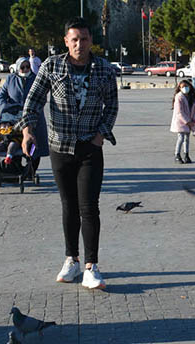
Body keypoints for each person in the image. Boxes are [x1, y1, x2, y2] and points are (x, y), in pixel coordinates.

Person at [21, 17, 118, 290]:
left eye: (84, 39)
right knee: (68, 204)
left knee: (89, 206)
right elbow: (34, 101)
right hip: (60, 146)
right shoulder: (52, 66)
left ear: (90, 41)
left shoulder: (103, 69)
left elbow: (111, 106)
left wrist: (101, 134)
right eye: (74, 39)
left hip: (90, 146)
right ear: (66, 41)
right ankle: (71, 260)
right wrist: (28, 130)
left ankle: (91, 266)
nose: (79, 44)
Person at [0, 57, 49, 171]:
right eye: (22, 67)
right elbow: (1, 96)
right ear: (17, 68)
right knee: (15, 142)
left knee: (35, 146)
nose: (25, 69)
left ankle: (32, 169)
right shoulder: (11, 79)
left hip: (34, 117)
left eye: (27, 67)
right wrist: (6, 109)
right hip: (14, 117)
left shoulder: (36, 79)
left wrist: (35, 108)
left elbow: (42, 96)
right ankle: (16, 168)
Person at [171, 79, 195, 164]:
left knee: (187, 139)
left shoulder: (192, 98)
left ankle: (186, 154)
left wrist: (194, 120)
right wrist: (187, 122)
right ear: (179, 88)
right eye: (182, 87)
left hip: (189, 121)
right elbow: (179, 112)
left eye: (186, 86)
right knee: (181, 138)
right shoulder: (179, 97)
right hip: (181, 122)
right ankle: (177, 154)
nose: (185, 88)